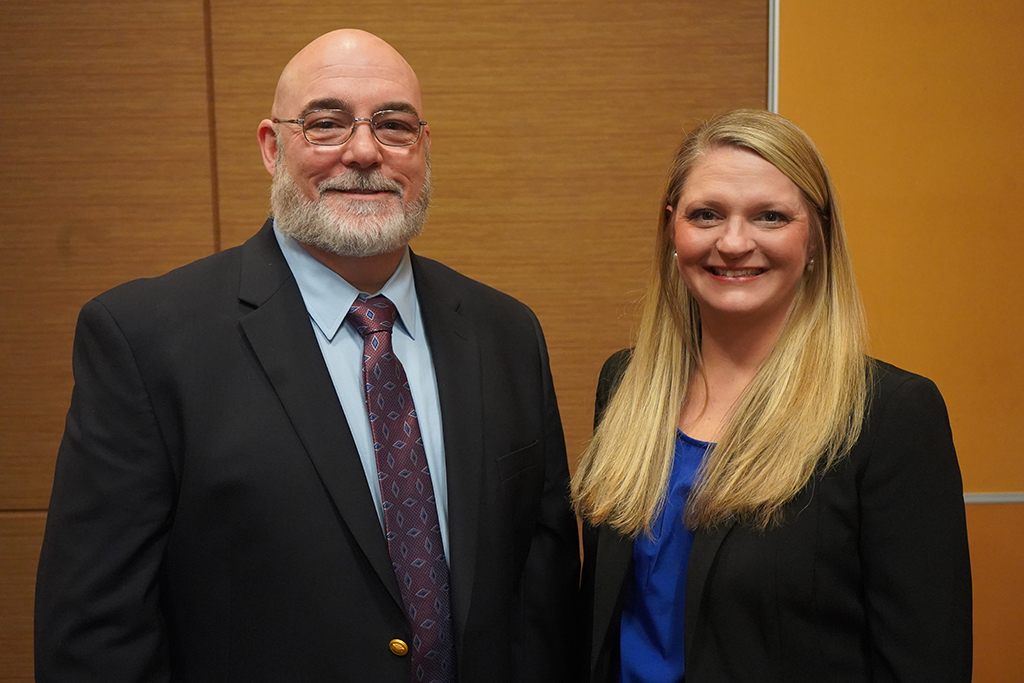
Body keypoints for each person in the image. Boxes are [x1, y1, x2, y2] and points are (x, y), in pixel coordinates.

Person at [35, 29, 579, 683]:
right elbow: (96, 638)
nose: (363, 151)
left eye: (393, 125)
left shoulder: (507, 334)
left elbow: (543, 604)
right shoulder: (145, 342)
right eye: (326, 124)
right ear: (272, 146)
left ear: (424, 148)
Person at [573, 109, 972, 682]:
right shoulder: (626, 386)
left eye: (770, 217)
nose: (734, 242)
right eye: (706, 214)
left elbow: (925, 662)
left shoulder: (890, 416)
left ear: (815, 236)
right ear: (671, 231)